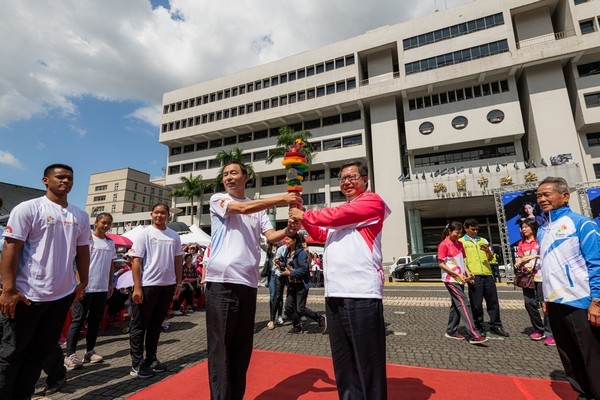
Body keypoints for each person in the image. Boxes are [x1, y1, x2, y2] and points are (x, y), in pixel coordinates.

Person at [288, 160, 389, 400]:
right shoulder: (339, 216)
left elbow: (338, 216)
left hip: (362, 293)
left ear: (365, 179)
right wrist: (304, 220)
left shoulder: (372, 202)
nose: (346, 182)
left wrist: (305, 214)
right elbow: (322, 233)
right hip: (334, 294)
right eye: (343, 178)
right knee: (343, 362)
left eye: (352, 177)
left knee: (368, 362)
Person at [204, 161, 300, 400]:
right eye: (225, 174)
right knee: (221, 349)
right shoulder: (218, 199)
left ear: (246, 177)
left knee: (241, 348)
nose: (229, 177)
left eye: (234, 173)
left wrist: (289, 229)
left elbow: (270, 237)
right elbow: (241, 209)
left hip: (247, 282)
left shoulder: (258, 210)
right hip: (222, 282)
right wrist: (282, 199)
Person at [0, 163, 90, 400]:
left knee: (38, 353)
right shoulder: (28, 208)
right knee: (11, 353)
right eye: (60, 177)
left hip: (60, 297)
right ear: (45, 181)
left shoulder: (80, 215)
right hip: (27, 295)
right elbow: (11, 247)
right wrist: (8, 289)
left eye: (70, 178)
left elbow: (82, 251)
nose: (66, 181)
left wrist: (83, 281)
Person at [536, 176, 600, 399]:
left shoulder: (582, 224)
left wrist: (597, 301)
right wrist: (545, 298)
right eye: (539, 195)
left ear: (564, 196)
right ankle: (584, 393)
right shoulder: (543, 230)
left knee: (591, 356)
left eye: (547, 194)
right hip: (555, 301)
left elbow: (596, 262)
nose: (542, 199)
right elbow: (548, 266)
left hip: (580, 302)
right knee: (569, 354)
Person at [129, 203, 183, 379]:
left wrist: (178, 283)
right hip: (147, 285)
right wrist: (137, 287)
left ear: (168, 215)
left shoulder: (174, 235)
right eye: (157, 213)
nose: (160, 215)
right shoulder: (144, 234)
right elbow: (136, 261)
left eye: (163, 213)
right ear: (151, 214)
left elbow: (177, 261)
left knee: (155, 325)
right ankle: (136, 364)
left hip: (167, 286)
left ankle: (150, 359)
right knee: (139, 325)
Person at [65, 212, 117, 369]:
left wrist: (109, 284)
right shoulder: (86, 240)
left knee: (95, 320)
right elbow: (75, 263)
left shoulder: (110, 243)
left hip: (101, 288)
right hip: (85, 287)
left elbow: (111, 265)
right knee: (78, 320)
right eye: (103, 222)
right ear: (96, 223)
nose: (106, 225)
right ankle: (70, 354)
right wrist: (79, 283)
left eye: (108, 223)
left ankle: (89, 351)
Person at [437, 221, 488, 345]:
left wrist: (468, 272)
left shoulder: (459, 244)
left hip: (460, 279)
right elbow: (441, 264)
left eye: (460, 233)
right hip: (451, 279)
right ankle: (474, 334)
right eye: (456, 233)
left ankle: (451, 330)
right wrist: (456, 274)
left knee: (456, 305)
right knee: (464, 303)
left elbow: (463, 261)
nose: (458, 235)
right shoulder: (444, 245)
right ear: (449, 231)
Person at [459, 218, 509, 337]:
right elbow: (461, 260)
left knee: (493, 302)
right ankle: (479, 326)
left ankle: (496, 325)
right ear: (466, 229)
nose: (475, 231)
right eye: (472, 229)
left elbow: (491, 258)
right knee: (476, 303)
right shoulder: (461, 242)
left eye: (477, 229)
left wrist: (489, 252)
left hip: (487, 274)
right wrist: (467, 274)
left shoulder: (483, 240)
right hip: (474, 275)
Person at [514, 219, 554, 345]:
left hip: (542, 276)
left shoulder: (541, 240)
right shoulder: (521, 243)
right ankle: (538, 329)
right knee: (529, 303)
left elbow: (548, 254)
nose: (524, 229)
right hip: (528, 276)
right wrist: (518, 262)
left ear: (533, 227)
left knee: (545, 305)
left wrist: (534, 256)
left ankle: (550, 333)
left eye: (526, 226)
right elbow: (520, 257)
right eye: (522, 227)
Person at [280, 233, 325, 333]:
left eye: (287, 239)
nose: (285, 241)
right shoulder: (287, 252)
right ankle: (297, 325)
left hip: (301, 284)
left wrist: (291, 273)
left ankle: (320, 318)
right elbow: (285, 263)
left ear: (294, 240)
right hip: (291, 284)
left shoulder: (301, 253)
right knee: (288, 307)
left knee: (300, 309)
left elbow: (304, 269)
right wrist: (280, 263)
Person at [266, 242, 285, 330]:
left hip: (278, 273)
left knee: (279, 296)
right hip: (271, 274)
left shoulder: (281, 247)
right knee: (272, 296)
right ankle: (272, 318)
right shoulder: (268, 248)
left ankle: (280, 316)